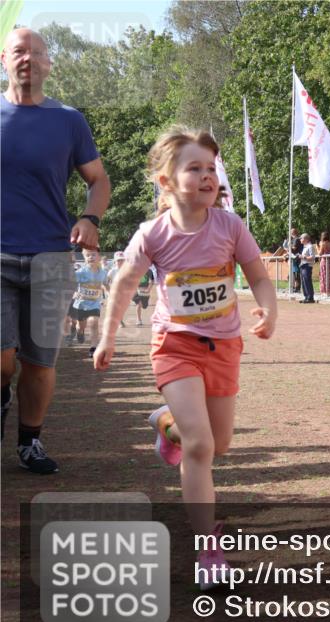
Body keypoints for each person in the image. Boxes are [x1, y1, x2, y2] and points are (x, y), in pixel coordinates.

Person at [93, 127, 277, 587]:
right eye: (193, 168)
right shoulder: (153, 234)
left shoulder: (231, 226)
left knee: (220, 443)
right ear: (166, 181)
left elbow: (257, 274)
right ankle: (207, 548)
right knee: (201, 448)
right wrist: (107, 337)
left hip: (224, 345)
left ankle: (167, 423)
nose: (206, 175)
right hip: (174, 345)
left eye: (211, 168)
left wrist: (269, 309)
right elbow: (124, 285)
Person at [1, 28, 110, 474]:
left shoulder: (69, 120)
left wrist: (90, 219)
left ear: (49, 64)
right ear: (4, 60)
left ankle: (30, 443)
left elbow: (98, 181)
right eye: (19, 51)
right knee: (2, 361)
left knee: (39, 363)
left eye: (37, 53)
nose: (28, 59)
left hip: (51, 259)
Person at [69, 249, 107, 356]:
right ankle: (80, 332)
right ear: (84, 258)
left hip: (95, 303)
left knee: (94, 322)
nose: (91, 257)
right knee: (81, 326)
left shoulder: (103, 273)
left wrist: (109, 293)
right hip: (81, 304)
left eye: (93, 255)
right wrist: (74, 292)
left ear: (98, 257)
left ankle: (93, 348)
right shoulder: (80, 272)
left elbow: (105, 284)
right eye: (88, 255)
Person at [298, 233, 316, 303]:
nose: (300, 239)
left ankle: (310, 297)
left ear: (306, 239)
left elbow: (312, 257)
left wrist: (303, 257)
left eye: (301, 238)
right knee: (303, 281)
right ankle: (306, 297)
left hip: (307, 265)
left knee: (307, 281)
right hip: (303, 265)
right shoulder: (305, 247)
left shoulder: (310, 246)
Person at [318, 231, 330, 296]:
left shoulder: (322, 243)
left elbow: (320, 253)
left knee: (324, 275)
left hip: (324, 261)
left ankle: (325, 291)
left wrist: (316, 248)